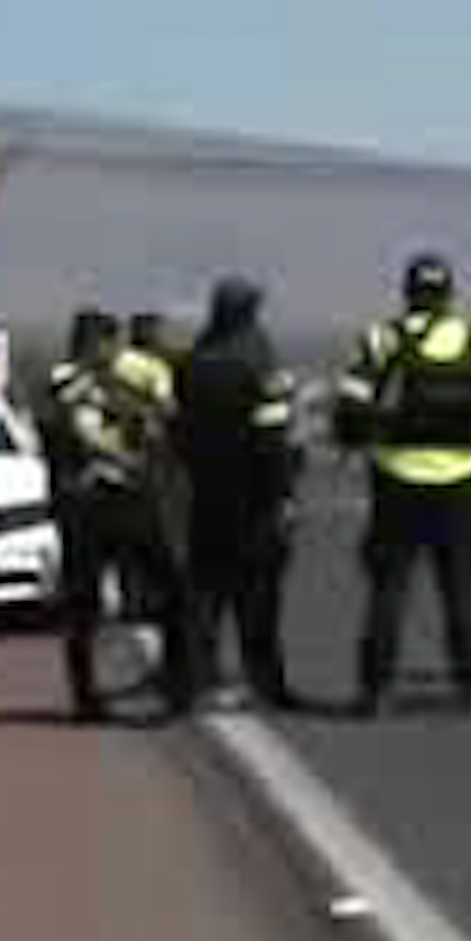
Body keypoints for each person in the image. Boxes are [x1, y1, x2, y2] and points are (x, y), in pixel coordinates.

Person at [333, 253, 471, 718]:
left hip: (398, 480)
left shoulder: (382, 338)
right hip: (463, 481)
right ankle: (470, 686)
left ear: (408, 292)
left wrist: (362, 442)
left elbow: (350, 406)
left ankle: (375, 689)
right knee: (463, 588)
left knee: (389, 589)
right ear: (449, 295)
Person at [43, 308, 195, 722]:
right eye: (93, 345)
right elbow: (81, 427)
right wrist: (128, 424)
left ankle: (179, 686)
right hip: (85, 502)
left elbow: (166, 411)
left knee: (174, 589)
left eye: (106, 343)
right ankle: (85, 697)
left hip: (132, 498)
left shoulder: (139, 371)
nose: (101, 351)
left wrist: (150, 413)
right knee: (83, 603)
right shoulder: (67, 379)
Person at [173, 277, 303, 711]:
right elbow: (273, 437)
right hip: (255, 497)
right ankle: (266, 682)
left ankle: (196, 682)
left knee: (205, 595)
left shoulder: (193, 363)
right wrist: (284, 494)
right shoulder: (259, 362)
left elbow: (179, 431)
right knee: (259, 596)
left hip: (207, 493)